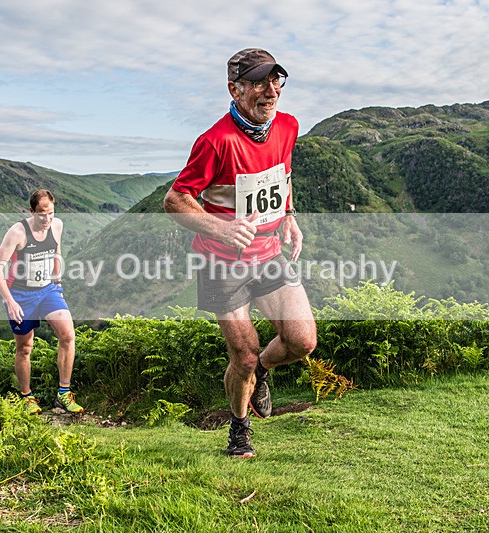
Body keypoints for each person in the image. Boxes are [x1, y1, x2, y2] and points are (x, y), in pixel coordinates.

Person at [163, 48, 317, 458]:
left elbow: (282, 175)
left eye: (276, 81)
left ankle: (263, 372)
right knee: (244, 355)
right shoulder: (215, 142)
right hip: (221, 263)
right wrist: (223, 228)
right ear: (234, 89)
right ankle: (239, 428)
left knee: (302, 341)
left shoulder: (288, 126)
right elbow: (176, 200)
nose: (271, 91)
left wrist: (289, 216)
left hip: (268, 254)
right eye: (259, 82)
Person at [0, 189, 83, 414]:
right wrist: (10, 301)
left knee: (68, 335)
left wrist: (58, 283)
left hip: (48, 291)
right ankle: (27, 396)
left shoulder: (57, 225)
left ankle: (63, 394)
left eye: (51, 213)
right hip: (21, 295)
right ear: (31, 211)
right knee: (24, 347)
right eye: (42, 214)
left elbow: (57, 252)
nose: (47, 219)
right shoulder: (17, 232)